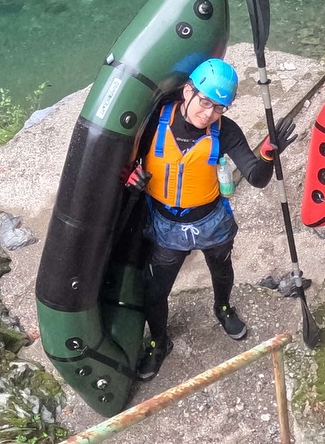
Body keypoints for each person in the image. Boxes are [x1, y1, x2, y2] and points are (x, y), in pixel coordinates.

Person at [124, 57, 296, 381]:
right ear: (187, 91)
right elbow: (125, 165)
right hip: (165, 226)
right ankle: (160, 343)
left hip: (212, 221)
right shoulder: (152, 124)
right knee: (154, 291)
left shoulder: (225, 131)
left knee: (221, 270)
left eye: (219, 108)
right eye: (205, 102)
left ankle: (223, 308)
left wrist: (270, 152)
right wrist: (132, 183)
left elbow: (257, 178)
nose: (209, 114)